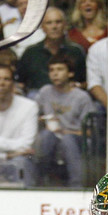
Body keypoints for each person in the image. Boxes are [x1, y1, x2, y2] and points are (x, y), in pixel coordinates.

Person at [35, 54, 95, 187]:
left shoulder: (81, 97)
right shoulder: (45, 92)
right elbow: (32, 116)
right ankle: (39, 182)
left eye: (60, 69)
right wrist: (43, 121)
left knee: (68, 140)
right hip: (51, 138)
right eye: (52, 70)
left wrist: (65, 131)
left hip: (76, 139)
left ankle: (76, 186)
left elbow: (91, 132)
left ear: (70, 73)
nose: (55, 74)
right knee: (46, 136)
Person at [17, 7, 87, 94]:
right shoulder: (30, 53)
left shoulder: (76, 51)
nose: (54, 27)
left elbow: (86, 82)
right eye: (49, 23)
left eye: (58, 22)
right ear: (42, 27)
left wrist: (78, 85)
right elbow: (20, 83)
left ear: (65, 25)